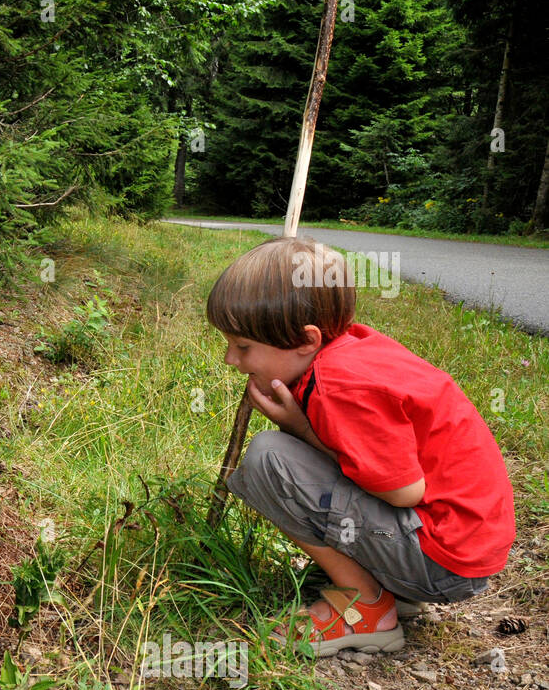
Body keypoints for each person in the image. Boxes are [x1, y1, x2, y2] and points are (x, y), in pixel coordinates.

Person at [206, 237, 515, 656]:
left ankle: (366, 606)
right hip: (456, 545)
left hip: (443, 560)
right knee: (281, 458)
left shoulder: (340, 387)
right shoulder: (351, 350)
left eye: (243, 346)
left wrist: (299, 429)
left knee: (268, 460)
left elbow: (403, 492)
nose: (231, 359)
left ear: (306, 339)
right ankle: (392, 586)